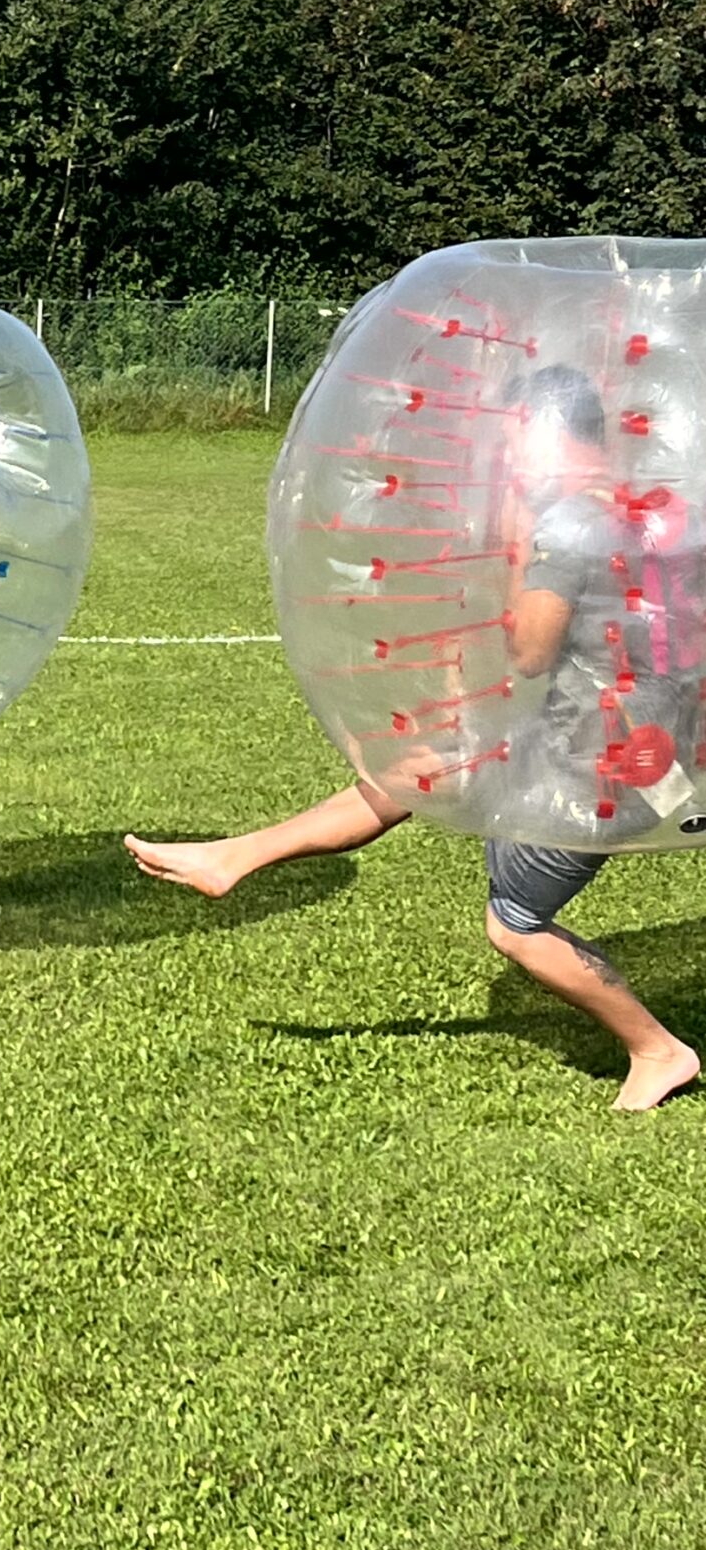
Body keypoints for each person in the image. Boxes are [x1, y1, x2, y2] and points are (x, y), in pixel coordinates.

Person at [125, 364, 702, 1112]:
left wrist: (519, 551)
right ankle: (230, 859)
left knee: (515, 926)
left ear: (545, 437)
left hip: (594, 764)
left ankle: (657, 1051)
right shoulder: (664, 508)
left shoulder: (567, 522)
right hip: (651, 737)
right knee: (419, 770)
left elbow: (529, 650)